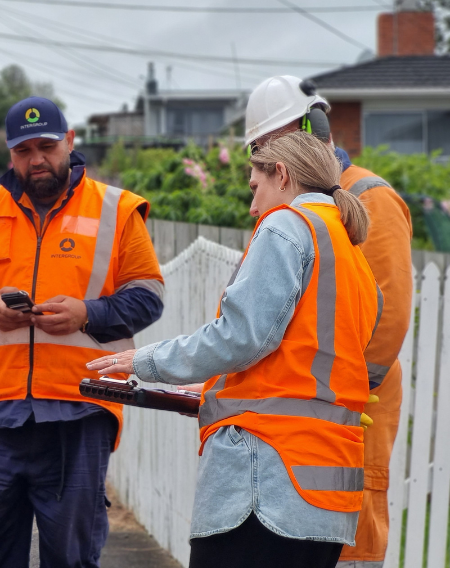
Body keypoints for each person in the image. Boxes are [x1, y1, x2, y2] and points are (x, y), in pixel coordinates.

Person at [89, 130, 381, 568]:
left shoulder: (287, 226)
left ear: (281, 174)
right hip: (327, 495)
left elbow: (241, 337)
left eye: (254, 187)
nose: (252, 207)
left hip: (263, 485)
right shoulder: (354, 257)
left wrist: (145, 360)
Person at [0, 96, 165, 567]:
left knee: (71, 558)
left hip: (81, 409)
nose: (36, 160)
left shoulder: (117, 211)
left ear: (69, 142)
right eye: (23, 150)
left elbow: (148, 297)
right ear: (11, 155)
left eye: (46, 147)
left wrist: (86, 314)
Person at [244, 75, 413, 568]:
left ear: (305, 131)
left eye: (265, 146)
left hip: (349, 415)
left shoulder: (368, 198)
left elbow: (388, 316)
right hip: (295, 420)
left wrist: (336, 396)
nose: (260, 164)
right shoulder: (285, 200)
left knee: (350, 541)